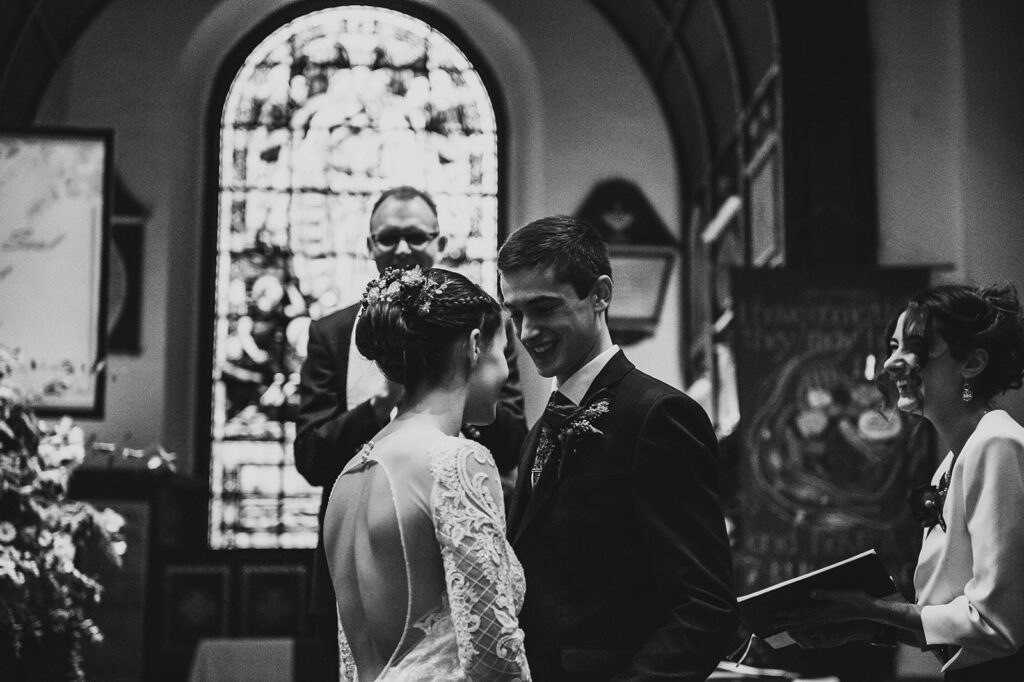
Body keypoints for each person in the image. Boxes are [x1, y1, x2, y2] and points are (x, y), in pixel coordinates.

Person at [294, 186, 527, 680]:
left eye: (416, 236)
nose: (507, 369)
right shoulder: (459, 462)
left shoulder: (352, 474)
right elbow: (493, 657)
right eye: (503, 354)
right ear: (473, 347)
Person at [497, 215, 738, 681]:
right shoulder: (540, 430)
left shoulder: (659, 416)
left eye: (544, 308)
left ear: (600, 295)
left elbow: (706, 606)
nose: (527, 332)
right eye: (516, 313)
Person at [778, 283, 1024, 680]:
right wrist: (866, 625)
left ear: (972, 363)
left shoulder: (996, 444)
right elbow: (954, 623)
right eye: (892, 346)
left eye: (915, 346)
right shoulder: (951, 463)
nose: (893, 363)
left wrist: (872, 610)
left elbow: (996, 625)